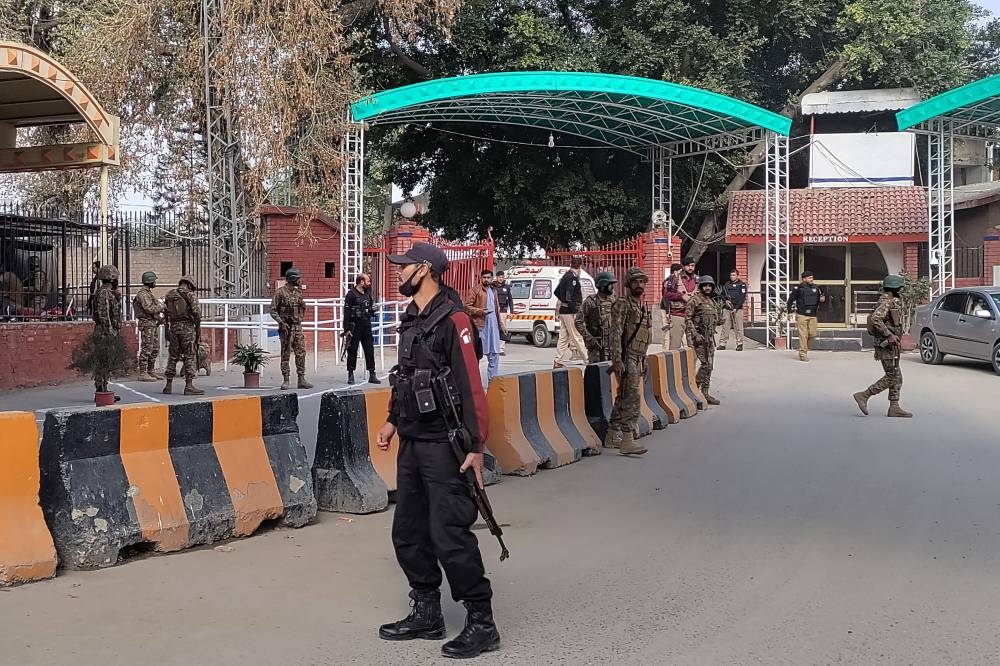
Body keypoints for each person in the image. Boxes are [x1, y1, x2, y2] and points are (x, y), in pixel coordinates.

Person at [376, 242, 500, 659]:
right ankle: (427, 612)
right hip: (412, 441)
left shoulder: (455, 320)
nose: (398, 273)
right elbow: (406, 376)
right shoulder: (411, 319)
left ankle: (482, 623)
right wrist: (393, 421)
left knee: (449, 534)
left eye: (404, 267)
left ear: (426, 270)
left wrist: (476, 447)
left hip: (445, 446)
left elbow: (470, 387)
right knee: (408, 532)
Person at [606, 267, 652, 456]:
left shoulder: (641, 305)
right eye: (636, 282)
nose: (639, 285)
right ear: (628, 284)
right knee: (632, 397)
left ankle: (612, 434)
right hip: (626, 357)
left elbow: (646, 333)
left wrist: (645, 357)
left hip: (637, 356)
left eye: (642, 282)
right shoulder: (622, 304)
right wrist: (617, 359)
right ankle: (627, 439)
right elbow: (615, 333)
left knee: (624, 395)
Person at [853, 275, 912, 418]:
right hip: (886, 345)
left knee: (897, 376)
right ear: (894, 288)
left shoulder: (889, 300)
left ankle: (894, 407)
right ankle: (864, 395)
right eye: (899, 288)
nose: (901, 290)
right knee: (893, 376)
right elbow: (876, 318)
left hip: (889, 345)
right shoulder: (886, 301)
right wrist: (889, 335)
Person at [269, 267, 314, 390]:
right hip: (286, 328)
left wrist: (302, 307)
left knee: (301, 352)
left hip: (297, 326)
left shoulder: (298, 292)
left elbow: (301, 309)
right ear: (293, 279)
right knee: (285, 353)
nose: (300, 280)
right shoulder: (280, 293)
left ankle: (301, 379)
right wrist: (281, 322)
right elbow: (273, 310)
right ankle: (286, 379)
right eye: (298, 278)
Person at [163, 276, 204, 395]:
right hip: (187, 328)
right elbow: (196, 312)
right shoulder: (190, 295)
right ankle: (189, 385)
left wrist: (167, 328)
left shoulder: (169, 295)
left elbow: (166, 313)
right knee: (189, 355)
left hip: (173, 327)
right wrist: (197, 327)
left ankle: (168, 385)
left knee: (173, 355)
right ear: (190, 285)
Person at [685, 275, 722, 405]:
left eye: (709, 286)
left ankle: (705, 392)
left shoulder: (710, 301)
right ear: (701, 286)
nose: (707, 288)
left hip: (709, 337)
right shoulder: (695, 300)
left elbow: (714, 319)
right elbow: (688, 318)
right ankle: (694, 389)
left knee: (710, 366)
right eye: (705, 285)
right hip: (699, 337)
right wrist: (695, 334)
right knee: (705, 364)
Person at [465, 270, 502, 383]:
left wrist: (501, 324)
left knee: (495, 354)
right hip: (481, 326)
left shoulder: (494, 290)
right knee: (478, 355)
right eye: (484, 277)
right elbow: (466, 306)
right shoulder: (475, 290)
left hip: (493, 327)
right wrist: (480, 311)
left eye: (488, 277)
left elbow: (497, 309)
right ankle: (474, 382)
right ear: (481, 278)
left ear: (492, 278)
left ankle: (492, 381)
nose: (486, 279)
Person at [343, 273, 379, 385]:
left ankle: (372, 374)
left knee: (369, 350)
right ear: (361, 282)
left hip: (366, 325)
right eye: (368, 281)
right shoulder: (351, 295)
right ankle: (350, 374)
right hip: (355, 326)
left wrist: (373, 309)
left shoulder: (367, 293)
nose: (369, 283)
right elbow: (347, 313)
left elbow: (370, 308)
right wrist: (346, 329)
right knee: (352, 350)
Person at [92, 264, 122, 394]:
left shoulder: (107, 292)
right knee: (104, 361)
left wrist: (117, 298)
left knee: (106, 361)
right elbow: (104, 315)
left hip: (106, 330)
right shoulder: (104, 292)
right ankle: (101, 389)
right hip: (105, 332)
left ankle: (103, 388)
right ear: (112, 279)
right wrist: (110, 332)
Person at [552, 256, 588, 368]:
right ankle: (588, 359)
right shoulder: (572, 278)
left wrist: (563, 301)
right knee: (577, 335)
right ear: (580, 267)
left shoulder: (565, 276)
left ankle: (558, 360)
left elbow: (556, 292)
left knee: (564, 337)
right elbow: (569, 295)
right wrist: (574, 309)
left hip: (563, 310)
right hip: (569, 311)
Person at [576, 270, 617, 363]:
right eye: (610, 285)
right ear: (603, 286)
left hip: (612, 346)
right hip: (597, 347)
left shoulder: (613, 300)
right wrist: (589, 338)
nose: (613, 287)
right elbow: (578, 321)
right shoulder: (590, 302)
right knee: (596, 373)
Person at [133, 271, 166, 382]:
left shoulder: (148, 293)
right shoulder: (142, 294)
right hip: (147, 324)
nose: (155, 283)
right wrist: (161, 306)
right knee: (147, 348)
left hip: (153, 323)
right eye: (154, 281)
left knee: (155, 348)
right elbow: (149, 308)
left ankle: (150, 370)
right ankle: (143, 372)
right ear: (150, 281)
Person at [787, 270, 825, 362]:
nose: (811, 279)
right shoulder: (798, 289)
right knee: (803, 335)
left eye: (812, 277)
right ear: (804, 279)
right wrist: (789, 312)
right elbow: (790, 300)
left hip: (813, 315)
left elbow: (821, 299)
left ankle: (804, 348)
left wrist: (822, 299)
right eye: (809, 278)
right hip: (801, 315)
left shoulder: (817, 288)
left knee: (812, 334)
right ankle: (803, 354)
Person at [664, 256, 698, 349]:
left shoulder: (697, 279)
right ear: (683, 266)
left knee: (694, 346)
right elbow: (666, 294)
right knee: (674, 346)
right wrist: (681, 296)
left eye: (692, 266)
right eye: (688, 266)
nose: (690, 268)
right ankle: (672, 364)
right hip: (678, 314)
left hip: (693, 316)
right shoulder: (675, 279)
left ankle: (691, 364)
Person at [718, 268, 748, 351]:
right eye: (731, 275)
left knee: (738, 327)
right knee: (725, 326)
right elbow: (722, 295)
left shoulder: (742, 285)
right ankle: (722, 344)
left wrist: (736, 308)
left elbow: (742, 298)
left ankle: (739, 344)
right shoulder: (727, 285)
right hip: (727, 308)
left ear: (737, 276)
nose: (732, 276)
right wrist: (725, 300)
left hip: (737, 309)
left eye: (734, 275)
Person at [494, 271, 514, 355]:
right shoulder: (493, 287)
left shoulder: (507, 287)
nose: (501, 278)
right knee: (493, 329)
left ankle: (501, 349)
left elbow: (510, 300)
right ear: (497, 277)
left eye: (502, 277)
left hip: (503, 310)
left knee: (503, 329)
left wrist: (512, 312)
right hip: (494, 311)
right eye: (499, 277)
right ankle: (493, 347)